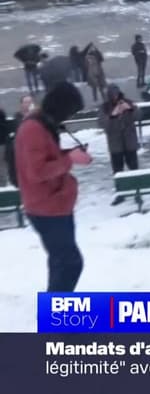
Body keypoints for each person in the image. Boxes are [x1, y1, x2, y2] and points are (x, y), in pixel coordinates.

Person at [14, 82, 92, 292]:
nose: (68, 117)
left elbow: (47, 158)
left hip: (54, 204)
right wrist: (70, 159)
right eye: (70, 112)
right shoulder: (33, 128)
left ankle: (55, 316)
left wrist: (70, 154)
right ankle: (57, 317)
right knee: (70, 264)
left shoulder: (41, 123)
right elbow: (37, 171)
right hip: (46, 207)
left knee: (60, 263)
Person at [98, 84, 140, 192]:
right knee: (117, 170)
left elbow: (139, 115)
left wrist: (130, 109)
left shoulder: (128, 102)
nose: (115, 97)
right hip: (115, 144)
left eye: (117, 94)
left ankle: (137, 189)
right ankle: (120, 191)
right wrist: (113, 115)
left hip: (129, 141)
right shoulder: (105, 107)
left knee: (134, 168)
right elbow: (102, 123)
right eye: (113, 95)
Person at [3, 95, 35, 187]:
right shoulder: (17, 117)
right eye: (26, 102)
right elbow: (19, 129)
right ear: (22, 105)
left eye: (30, 101)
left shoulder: (38, 116)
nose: (28, 104)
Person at [0, 109, 7, 186]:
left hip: (1, 143)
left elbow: (4, 128)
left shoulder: (1, 114)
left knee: (2, 162)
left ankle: (3, 182)